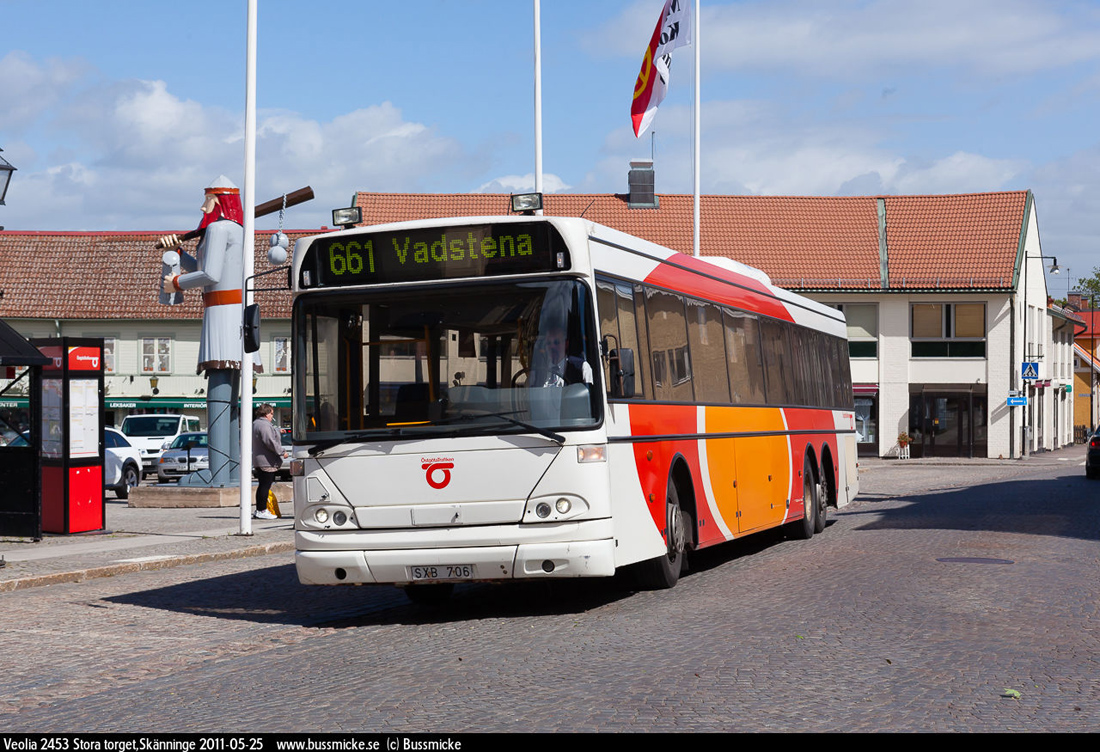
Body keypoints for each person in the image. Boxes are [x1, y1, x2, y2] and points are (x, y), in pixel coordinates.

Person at [158, 176, 248, 487]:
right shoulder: (235, 230)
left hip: (222, 314)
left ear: (219, 201)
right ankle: (233, 471)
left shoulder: (217, 228)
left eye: (207, 199)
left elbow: (210, 273)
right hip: (233, 312)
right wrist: (181, 254)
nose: (202, 206)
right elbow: (205, 263)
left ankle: (218, 473)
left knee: (218, 394)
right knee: (231, 398)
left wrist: (177, 282)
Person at [252, 403, 286, 520]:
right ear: (266, 414)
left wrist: (277, 430)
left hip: (259, 460)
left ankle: (259, 510)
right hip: (266, 461)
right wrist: (282, 452)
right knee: (265, 486)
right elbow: (269, 441)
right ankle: (262, 510)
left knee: (262, 485)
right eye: (271, 413)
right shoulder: (264, 425)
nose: (272, 416)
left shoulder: (256, 423)